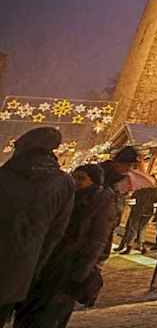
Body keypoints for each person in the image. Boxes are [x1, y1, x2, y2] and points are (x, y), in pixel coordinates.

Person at [16, 164, 118, 328]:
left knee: (51, 313)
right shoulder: (65, 196)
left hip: (68, 265)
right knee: (31, 308)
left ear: (94, 182)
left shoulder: (100, 202)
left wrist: (78, 275)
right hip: (49, 260)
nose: (75, 181)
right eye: (74, 177)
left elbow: (97, 241)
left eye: (81, 178)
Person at [0, 128, 75, 325]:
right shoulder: (63, 183)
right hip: (21, 264)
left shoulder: (4, 175)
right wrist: (36, 265)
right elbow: (55, 233)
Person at [118, 182, 157, 255]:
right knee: (142, 229)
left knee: (133, 229)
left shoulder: (141, 188)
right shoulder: (155, 191)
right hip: (148, 211)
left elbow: (134, 196)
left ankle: (129, 247)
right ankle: (141, 246)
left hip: (138, 210)